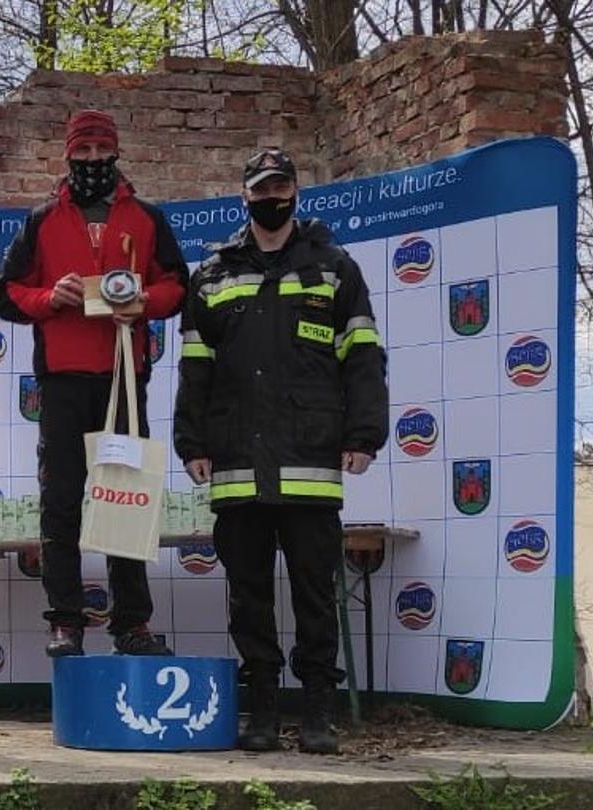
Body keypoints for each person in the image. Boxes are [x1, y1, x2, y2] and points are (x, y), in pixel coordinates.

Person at [173, 147, 387, 755]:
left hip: (311, 460)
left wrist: (364, 435)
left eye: (283, 186)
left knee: (317, 591)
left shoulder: (334, 266)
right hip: (237, 460)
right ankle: (261, 708)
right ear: (244, 196)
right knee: (248, 595)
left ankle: (318, 709)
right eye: (262, 188)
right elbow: (195, 368)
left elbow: (364, 357)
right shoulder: (213, 273)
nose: (273, 197)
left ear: (297, 192)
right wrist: (192, 442)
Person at [0, 109, 187, 659]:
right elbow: (6, 294)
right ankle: (66, 620)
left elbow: (177, 286)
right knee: (61, 503)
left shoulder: (146, 219)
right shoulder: (42, 220)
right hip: (63, 381)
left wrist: (144, 301)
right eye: (84, 154)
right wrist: (51, 298)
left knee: (128, 500)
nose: (94, 162)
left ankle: (131, 623)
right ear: (68, 156)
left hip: (124, 376)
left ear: (116, 154)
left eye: (103, 153)